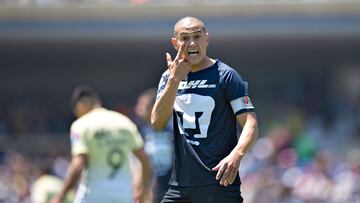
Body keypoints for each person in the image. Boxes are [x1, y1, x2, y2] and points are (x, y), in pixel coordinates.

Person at [151, 16, 259, 203]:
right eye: (185, 38)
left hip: (219, 185)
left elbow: (250, 123)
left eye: (197, 36)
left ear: (206, 39)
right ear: (175, 43)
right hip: (180, 186)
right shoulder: (170, 77)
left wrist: (237, 155)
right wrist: (174, 80)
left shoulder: (227, 75)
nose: (192, 43)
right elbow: (157, 123)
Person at [51, 85, 152, 203]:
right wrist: (142, 189)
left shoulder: (81, 125)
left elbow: (78, 164)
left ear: (80, 106)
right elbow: (145, 160)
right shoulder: (125, 123)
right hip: (123, 195)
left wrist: (61, 195)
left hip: (93, 194)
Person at [134, 88, 174, 203]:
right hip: (151, 187)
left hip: (171, 185)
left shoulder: (173, 129)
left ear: (154, 107)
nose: (138, 109)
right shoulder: (141, 131)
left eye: (142, 105)